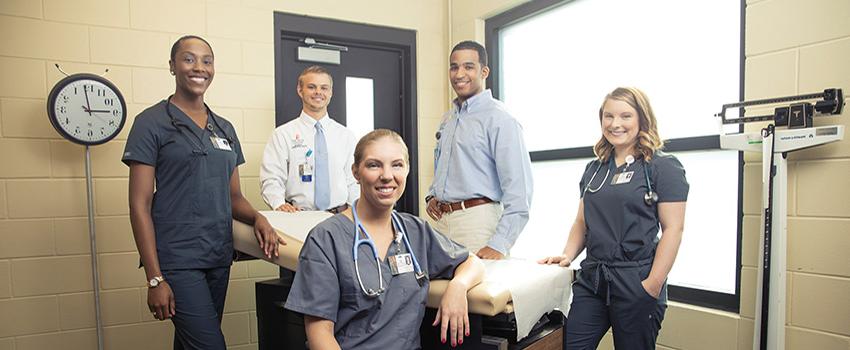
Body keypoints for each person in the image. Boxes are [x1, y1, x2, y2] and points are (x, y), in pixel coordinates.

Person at [123, 35, 283, 350]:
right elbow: (139, 205)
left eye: (206, 60)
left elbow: (234, 198)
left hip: (217, 255)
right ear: (172, 66)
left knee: (190, 344)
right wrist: (155, 278)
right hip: (177, 259)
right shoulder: (151, 123)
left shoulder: (224, 128)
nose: (199, 67)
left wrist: (258, 217)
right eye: (188, 59)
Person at [285, 129, 485, 349]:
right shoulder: (325, 239)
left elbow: (471, 262)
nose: (387, 175)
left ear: (407, 169)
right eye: (374, 165)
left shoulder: (415, 231)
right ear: (355, 172)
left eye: (397, 165)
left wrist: (458, 286)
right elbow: (319, 335)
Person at [539, 87, 688, 349]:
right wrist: (567, 255)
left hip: (636, 280)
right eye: (608, 116)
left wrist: (652, 285)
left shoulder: (662, 166)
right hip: (593, 280)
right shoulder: (595, 169)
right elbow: (581, 223)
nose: (615, 124)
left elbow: (673, 229)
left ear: (642, 118)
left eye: (625, 116)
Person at [425, 40, 533, 260]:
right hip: (441, 223)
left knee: (476, 294)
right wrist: (432, 196)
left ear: (484, 71)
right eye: (454, 67)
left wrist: (499, 244)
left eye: (468, 66)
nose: (459, 73)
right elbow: (447, 169)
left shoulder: (500, 119)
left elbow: (519, 191)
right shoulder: (448, 119)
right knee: (441, 293)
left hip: (478, 223)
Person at [260, 65, 358, 213]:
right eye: (312, 87)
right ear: (300, 90)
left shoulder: (346, 136)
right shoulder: (282, 134)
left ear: (330, 92)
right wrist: (278, 203)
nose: (318, 92)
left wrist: (354, 210)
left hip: (341, 216)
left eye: (324, 88)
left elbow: (353, 180)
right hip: (299, 216)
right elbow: (272, 178)